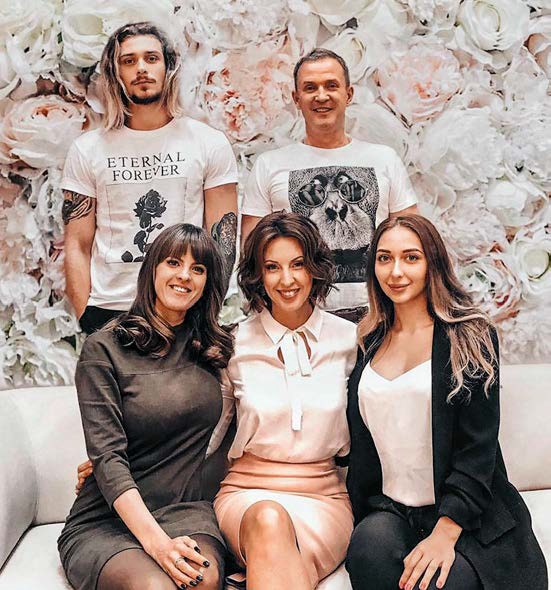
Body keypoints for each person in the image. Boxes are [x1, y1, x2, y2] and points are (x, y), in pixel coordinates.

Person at [345, 215, 547, 590]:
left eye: (411, 257)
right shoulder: (369, 338)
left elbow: (478, 449)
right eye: (385, 258)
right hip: (394, 512)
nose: (396, 271)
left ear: (432, 263)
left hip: (467, 515)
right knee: (366, 551)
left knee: (439, 582)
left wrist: (445, 532)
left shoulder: (469, 335)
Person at [58, 224, 234, 590]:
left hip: (186, 512)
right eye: (173, 262)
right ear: (152, 268)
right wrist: (158, 545)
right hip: (108, 520)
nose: (184, 276)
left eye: (198, 268)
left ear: (207, 282)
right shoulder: (104, 349)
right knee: (154, 587)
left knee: (202, 580)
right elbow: (108, 457)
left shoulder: (214, 349)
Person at [62, 22, 238, 334]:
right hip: (110, 311)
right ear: (115, 72)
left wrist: (206, 313)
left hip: (184, 310)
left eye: (151, 58)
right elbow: (77, 244)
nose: (141, 68)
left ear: (169, 66)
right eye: (129, 61)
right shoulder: (87, 149)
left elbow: (222, 240)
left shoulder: (208, 143)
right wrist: (86, 318)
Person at [213, 212, 357, 589]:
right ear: (257, 276)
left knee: (275, 552)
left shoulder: (350, 340)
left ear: (315, 269)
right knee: (268, 519)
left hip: (323, 499)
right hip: (246, 494)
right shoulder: (234, 343)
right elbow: (205, 435)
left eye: (298, 264)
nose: (287, 280)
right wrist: (123, 461)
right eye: (272, 267)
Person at [241, 48, 418, 322]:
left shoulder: (384, 159)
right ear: (296, 98)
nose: (321, 96)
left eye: (331, 86)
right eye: (310, 88)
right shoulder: (269, 165)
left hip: (379, 318)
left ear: (349, 94)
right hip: (300, 321)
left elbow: (413, 241)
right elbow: (253, 254)